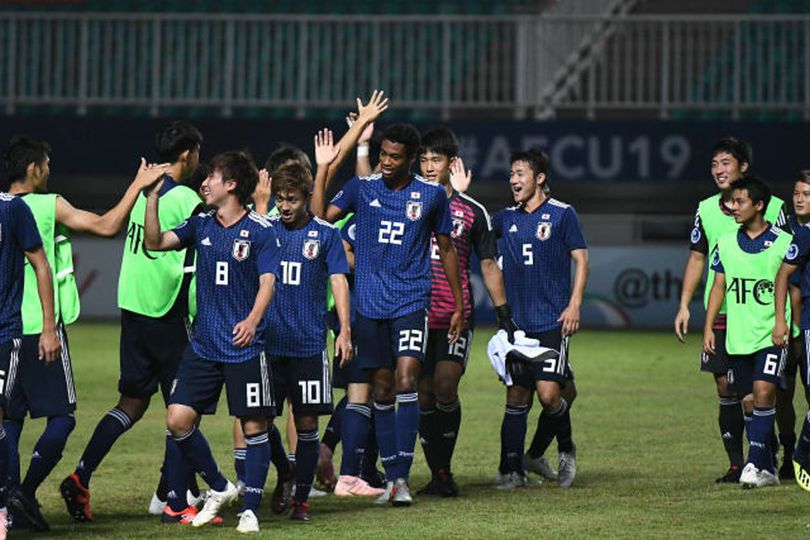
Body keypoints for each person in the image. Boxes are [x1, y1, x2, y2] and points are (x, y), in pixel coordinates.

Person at [1, 134, 170, 530]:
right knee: (61, 417)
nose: (49, 171)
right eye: (46, 164)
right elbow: (106, 224)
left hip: (5, 330)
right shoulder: (46, 205)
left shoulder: (5, 208)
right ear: (34, 169)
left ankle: (9, 501)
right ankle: (23, 492)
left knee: (10, 421)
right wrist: (137, 186)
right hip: (38, 327)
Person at [311, 109, 464, 505]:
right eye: (383, 153)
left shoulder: (430, 196)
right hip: (370, 306)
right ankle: (392, 472)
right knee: (381, 390)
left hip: (412, 300)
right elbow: (319, 218)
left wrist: (460, 304)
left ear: (410, 158)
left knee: (407, 381)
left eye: (395, 156)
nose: (386, 160)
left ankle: (400, 480)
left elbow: (446, 248)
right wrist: (323, 170)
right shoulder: (363, 188)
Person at [58, 121, 204, 524]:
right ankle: (173, 496)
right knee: (183, 406)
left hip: (133, 306)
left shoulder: (144, 188)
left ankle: (82, 475)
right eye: (197, 154)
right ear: (188, 153)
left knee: (132, 403)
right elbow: (208, 241)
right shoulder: (186, 197)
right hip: (164, 308)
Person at [145, 151, 280, 533]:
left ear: (232, 185)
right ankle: (220, 486)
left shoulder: (260, 230)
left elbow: (268, 281)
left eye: (213, 178)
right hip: (204, 345)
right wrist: (152, 197)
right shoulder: (201, 223)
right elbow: (155, 243)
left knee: (255, 426)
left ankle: (250, 509)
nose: (204, 183)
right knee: (177, 419)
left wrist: (253, 321)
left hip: (244, 346)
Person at [675, 137, 786, 483]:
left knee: (769, 391)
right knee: (727, 388)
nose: (719, 170)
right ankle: (740, 463)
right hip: (722, 313)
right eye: (714, 164)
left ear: (743, 167)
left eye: (726, 163)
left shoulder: (774, 207)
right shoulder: (706, 209)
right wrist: (684, 305)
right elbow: (697, 257)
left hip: (765, 314)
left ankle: (774, 452)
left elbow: (789, 260)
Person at [414, 127, 516, 497]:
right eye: (423, 159)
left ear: (450, 163)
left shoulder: (471, 211)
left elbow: (488, 263)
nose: (428, 166)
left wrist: (503, 314)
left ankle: (443, 470)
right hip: (413, 313)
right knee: (420, 395)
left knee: (444, 386)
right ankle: (439, 472)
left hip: (455, 315)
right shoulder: (408, 202)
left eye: (435, 160)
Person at [491, 148, 588, 490]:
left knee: (549, 396)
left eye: (520, 173)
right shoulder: (504, 219)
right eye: (511, 174)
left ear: (540, 178)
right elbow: (474, 236)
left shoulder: (563, 214)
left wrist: (574, 304)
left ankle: (564, 450)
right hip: (518, 326)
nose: (513, 180)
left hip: (552, 322)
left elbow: (581, 260)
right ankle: (514, 469)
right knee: (521, 397)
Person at [264, 162, 351, 521]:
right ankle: (284, 469)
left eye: (292, 199)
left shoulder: (326, 235)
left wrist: (344, 330)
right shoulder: (265, 231)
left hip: (309, 345)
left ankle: (301, 498)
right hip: (267, 343)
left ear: (305, 199)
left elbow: (339, 281)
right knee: (258, 419)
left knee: (307, 425)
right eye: (280, 199)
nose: (284, 206)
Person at [703, 176, 790, 488]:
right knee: (750, 402)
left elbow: (791, 288)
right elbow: (718, 287)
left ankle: (753, 464)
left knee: (765, 393)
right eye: (731, 201)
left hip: (771, 334)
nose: (732, 207)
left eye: (739, 202)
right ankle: (767, 466)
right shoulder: (725, 243)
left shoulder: (782, 242)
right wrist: (710, 327)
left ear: (759, 205)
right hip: (738, 336)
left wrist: (784, 324)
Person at [0, 189, 60, 539]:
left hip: (5, 333)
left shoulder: (13, 209)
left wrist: (48, 326)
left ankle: (3, 506)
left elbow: (40, 263)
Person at [774, 172, 810, 479]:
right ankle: (788, 454)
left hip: (805, 330)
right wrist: (781, 323)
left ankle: (804, 455)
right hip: (788, 332)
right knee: (783, 397)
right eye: (796, 193)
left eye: (806, 194)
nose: (799, 199)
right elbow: (779, 279)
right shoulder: (782, 232)